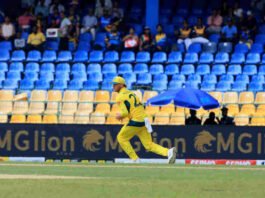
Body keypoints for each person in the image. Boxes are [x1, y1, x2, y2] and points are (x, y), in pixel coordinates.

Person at [112, 76, 177, 163]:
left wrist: (120, 116)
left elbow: (125, 112)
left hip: (136, 121)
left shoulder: (120, 96)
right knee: (148, 145)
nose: (113, 86)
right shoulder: (132, 93)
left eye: (115, 84)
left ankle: (135, 159)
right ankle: (168, 152)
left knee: (121, 138)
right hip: (144, 120)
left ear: (121, 85)